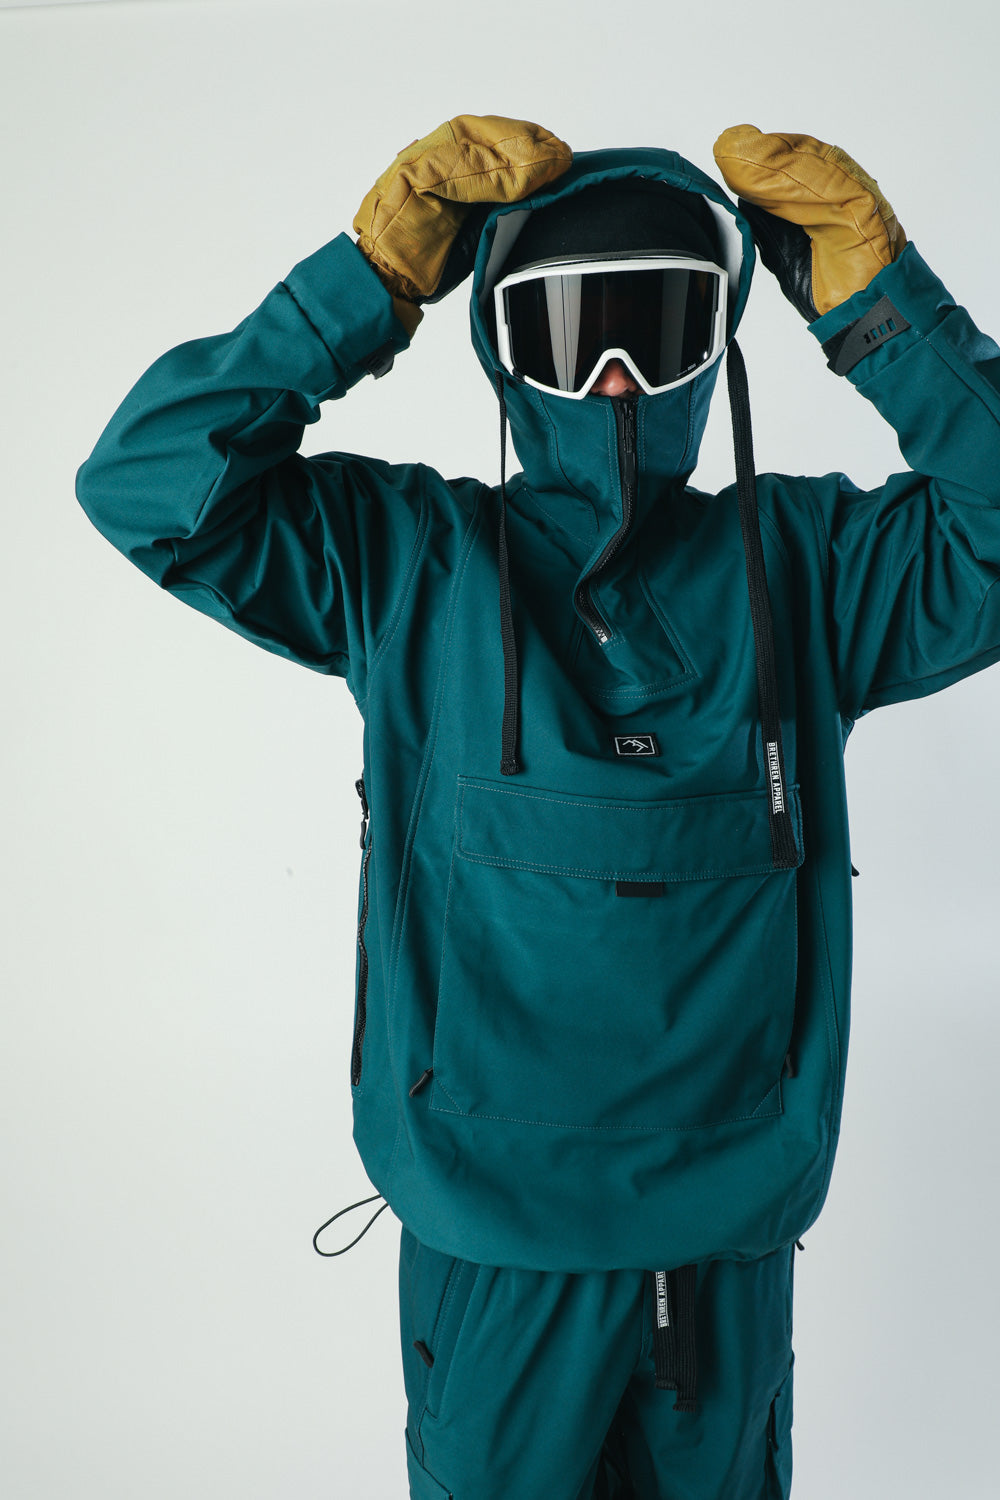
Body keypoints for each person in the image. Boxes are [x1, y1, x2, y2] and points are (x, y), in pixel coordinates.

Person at [75, 115, 1000, 1499]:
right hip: (492, 1242)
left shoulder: (804, 567)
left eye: (660, 329)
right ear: (505, 355)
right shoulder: (414, 562)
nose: (616, 380)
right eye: (571, 333)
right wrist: (365, 284)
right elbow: (147, 485)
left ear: (719, 346)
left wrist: (882, 309)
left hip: (724, 1234)